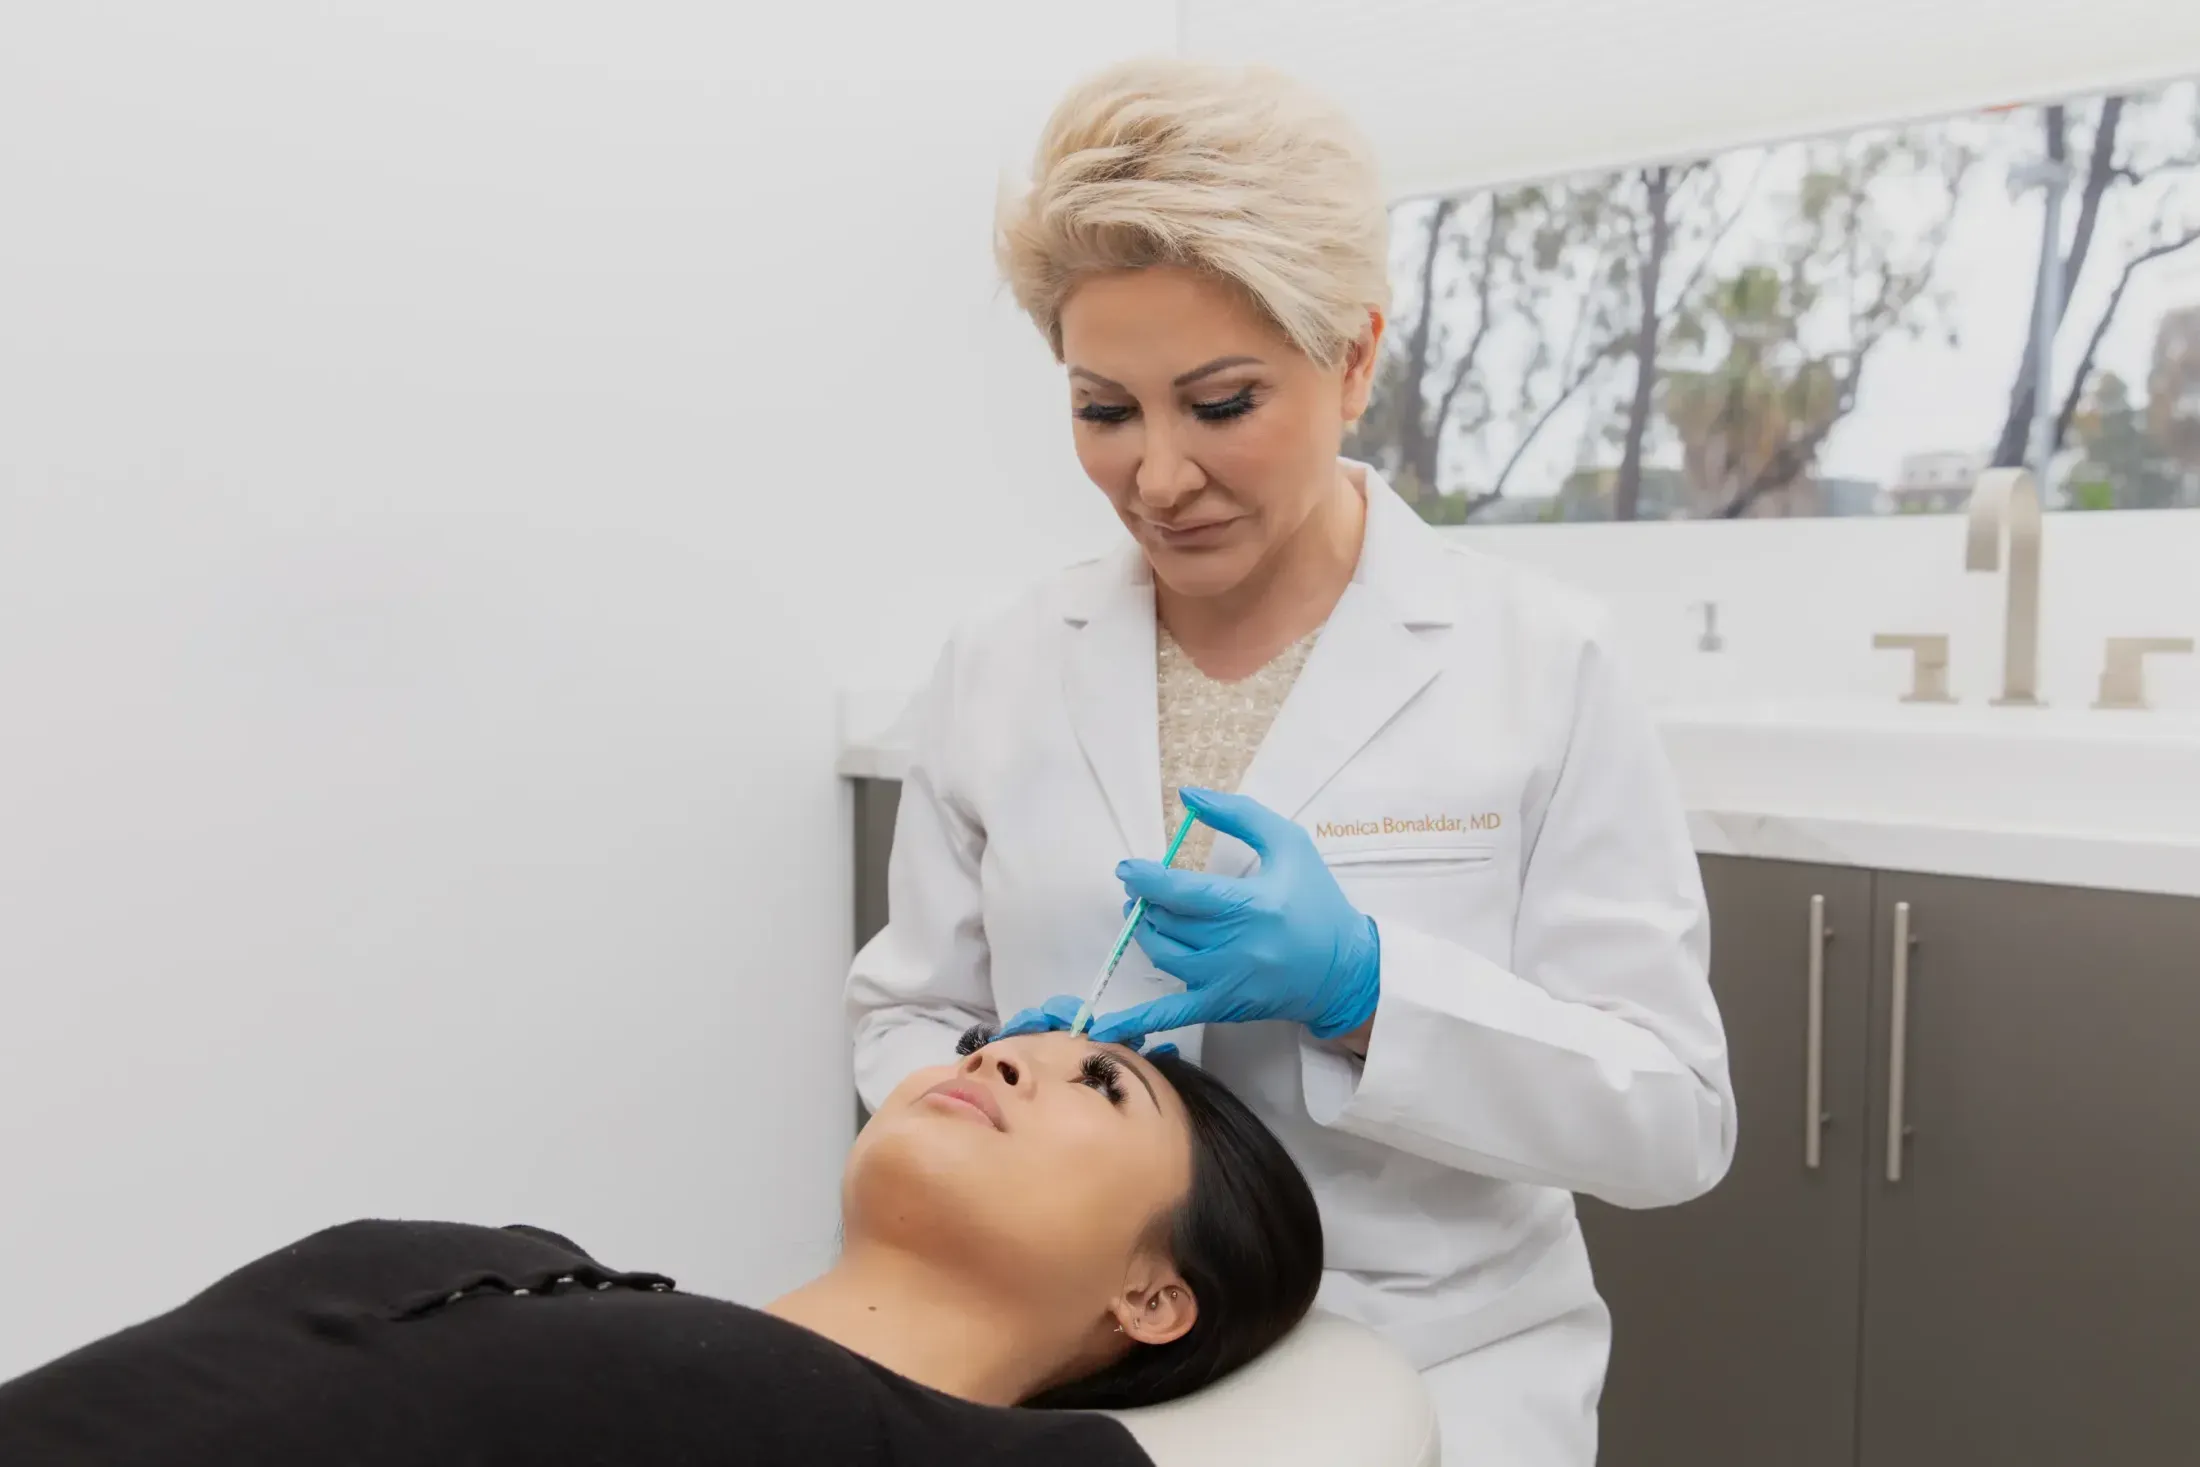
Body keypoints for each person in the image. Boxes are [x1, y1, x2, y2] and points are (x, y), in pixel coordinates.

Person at [844, 55, 1737, 1467]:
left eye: (1219, 403)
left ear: (1355, 358)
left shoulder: (1539, 665)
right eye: (1105, 409)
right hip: (1075, 1368)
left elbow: (1673, 1117)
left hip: (1439, 1368)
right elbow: (903, 1009)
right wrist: (974, 1062)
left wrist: (1371, 990)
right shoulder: (1001, 665)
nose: (1158, 476)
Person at [0, 1031, 1321, 1466]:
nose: (1004, 1055)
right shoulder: (535, 1253)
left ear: (1154, 1293)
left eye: (1102, 1084)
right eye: (993, 1039)